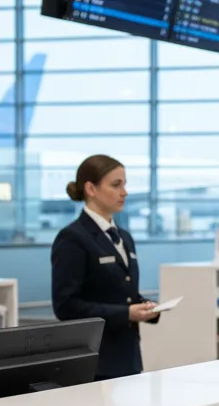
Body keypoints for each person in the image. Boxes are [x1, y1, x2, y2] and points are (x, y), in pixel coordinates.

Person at [51, 154, 158, 380]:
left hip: (128, 357)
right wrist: (126, 313)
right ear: (91, 189)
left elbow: (121, 292)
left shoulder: (124, 237)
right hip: (95, 362)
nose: (125, 192)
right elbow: (66, 306)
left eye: (125, 184)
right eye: (116, 185)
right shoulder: (72, 238)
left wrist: (145, 307)